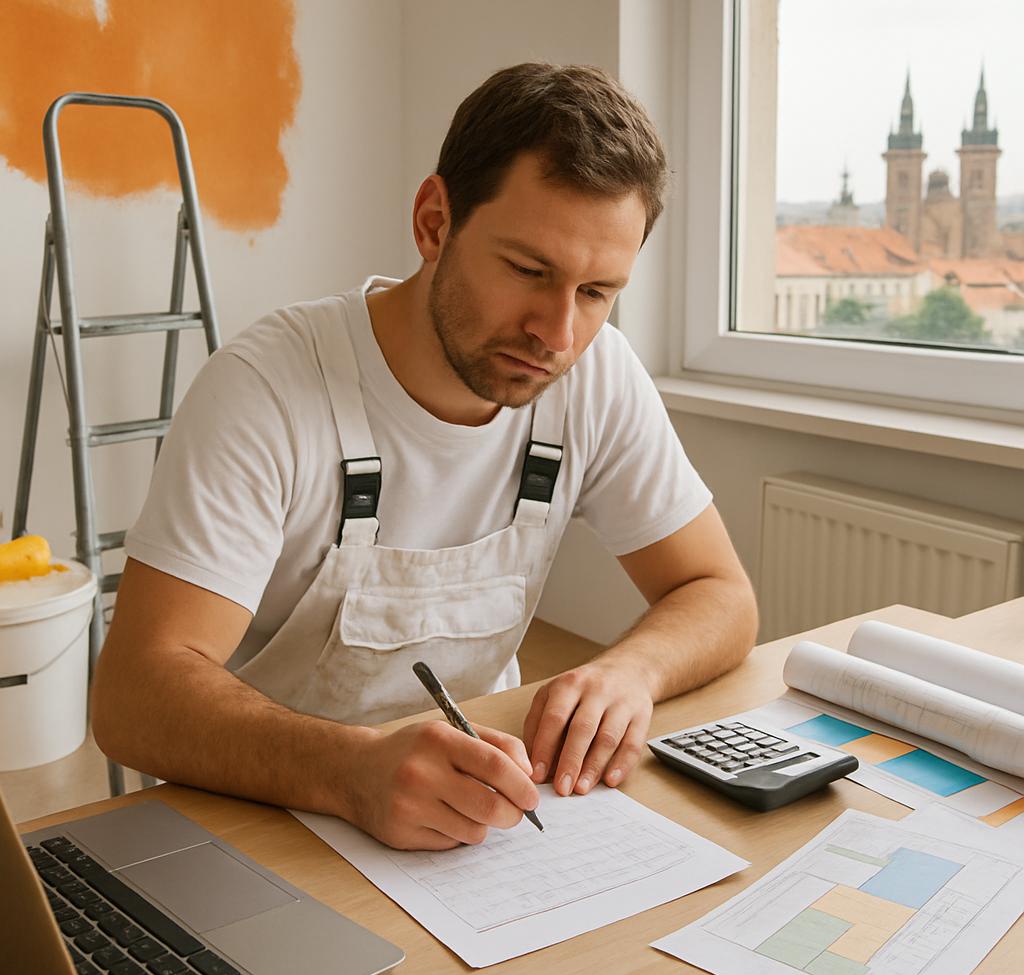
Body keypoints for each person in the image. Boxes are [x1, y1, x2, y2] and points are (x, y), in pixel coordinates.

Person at [92, 63, 758, 851]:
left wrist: (631, 672)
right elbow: (134, 697)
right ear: (434, 222)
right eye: (529, 271)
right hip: (260, 815)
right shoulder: (267, 386)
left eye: (596, 292)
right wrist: (352, 769)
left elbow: (719, 593)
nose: (558, 334)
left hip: (477, 823)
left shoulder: (597, 376)